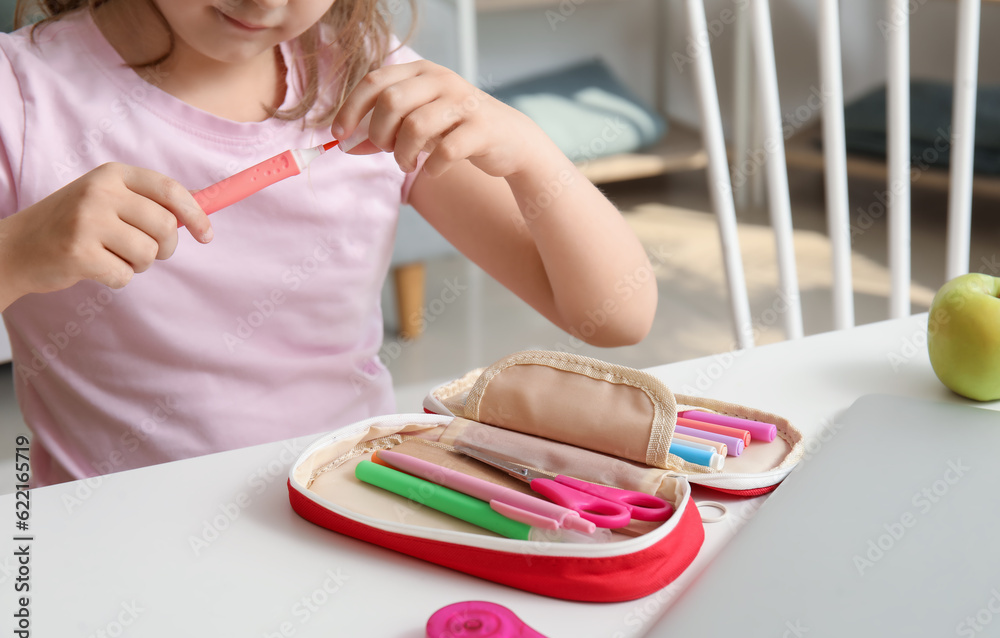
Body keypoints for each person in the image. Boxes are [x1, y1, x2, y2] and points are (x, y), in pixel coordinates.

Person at [0, 0, 657, 487]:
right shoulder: (22, 97)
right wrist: (22, 249)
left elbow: (615, 315)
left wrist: (530, 151)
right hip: (118, 538)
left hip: (351, 498)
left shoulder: (370, 85)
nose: (264, 3)